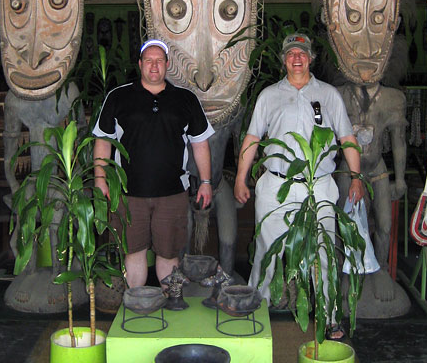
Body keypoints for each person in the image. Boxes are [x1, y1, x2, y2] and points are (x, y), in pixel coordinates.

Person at [234, 33, 363, 338]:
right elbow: (252, 139)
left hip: (318, 185)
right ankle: (257, 308)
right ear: (283, 60)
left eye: (302, 53)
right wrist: (241, 177)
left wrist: (356, 177)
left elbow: (346, 137)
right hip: (276, 185)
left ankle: (331, 316)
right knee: (267, 248)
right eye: (291, 53)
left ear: (311, 58)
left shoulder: (329, 94)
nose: (296, 58)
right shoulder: (269, 95)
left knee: (324, 249)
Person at [93, 38, 214, 288]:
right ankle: (136, 304)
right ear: (140, 64)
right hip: (128, 193)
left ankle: (171, 305)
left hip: (172, 193)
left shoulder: (185, 99)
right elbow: (103, 142)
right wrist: (100, 179)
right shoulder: (118, 97)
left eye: (159, 60)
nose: (154, 65)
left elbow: (200, 143)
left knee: (169, 255)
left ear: (167, 65)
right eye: (149, 60)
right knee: (133, 251)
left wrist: (205, 182)